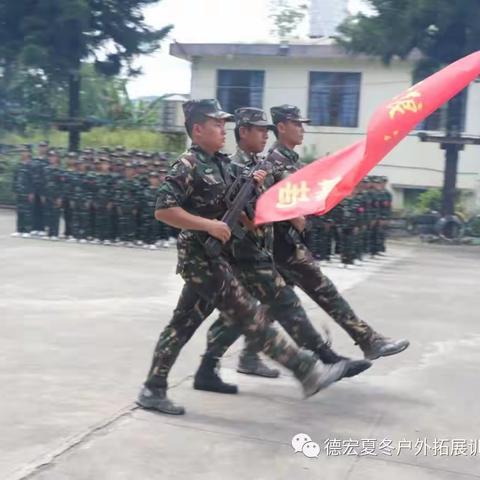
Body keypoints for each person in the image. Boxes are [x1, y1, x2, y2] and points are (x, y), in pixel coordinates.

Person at [137, 99, 368, 415]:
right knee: (249, 315)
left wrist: (256, 186)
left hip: (216, 258)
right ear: (197, 129)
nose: (223, 130)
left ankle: (153, 387)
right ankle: (306, 370)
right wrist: (210, 225)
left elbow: (245, 205)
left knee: (183, 324)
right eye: (217, 124)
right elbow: (163, 210)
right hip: (200, 258)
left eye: (224, 124)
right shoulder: (187, 165)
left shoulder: (222, 164)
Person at [192, 107, 370, 394]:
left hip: (261, 251)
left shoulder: (259, 165)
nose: (266, 134)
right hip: (243, 254)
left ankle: (208, 367)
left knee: (242, 315)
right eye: (260, 129)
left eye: (267, 129)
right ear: (244, 132)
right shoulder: (234, 167)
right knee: (281, 304)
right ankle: (322, 358)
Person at [264, 105, 409, 360]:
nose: (302, 129)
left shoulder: (292, 161)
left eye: (302, 124)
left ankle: (238, 356)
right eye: (296, 124)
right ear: (281, 127)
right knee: (324, 291)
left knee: (270, 304)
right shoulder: (274, 160)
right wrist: (294, 216)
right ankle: (367, 340)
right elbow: (268, 200)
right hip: (282, 245)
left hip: (288, 243)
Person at [12, 146, 34, 237]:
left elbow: (33, 180)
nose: (22, 153)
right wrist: (14, 190)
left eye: (25, 151)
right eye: (21, 151)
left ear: (29, 153)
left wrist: (31, 192)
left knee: (27, 212)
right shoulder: (19, 165)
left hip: (27, 192)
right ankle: (19, 229)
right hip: (19, 191)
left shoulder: (31, 166)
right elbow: (15, 179)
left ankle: (27, 230)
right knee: (19, 211)